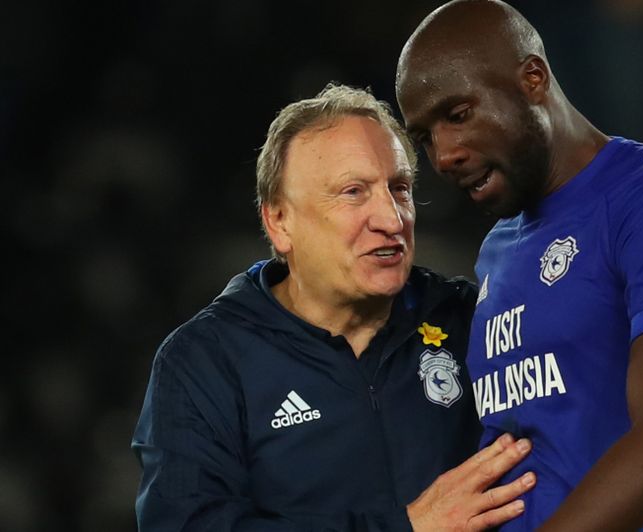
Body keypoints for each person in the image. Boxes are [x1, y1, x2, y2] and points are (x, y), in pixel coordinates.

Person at [395, 1, 643, 530]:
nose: (444, 155)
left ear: (533, 78)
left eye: (459, 115)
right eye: (425, 137)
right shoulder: (498, 250)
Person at [131, 83, 536, 532]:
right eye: (353, 192)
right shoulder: (205, 362)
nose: (391, 218)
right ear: (279, 221)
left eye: (399, 188)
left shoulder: (468, 318)